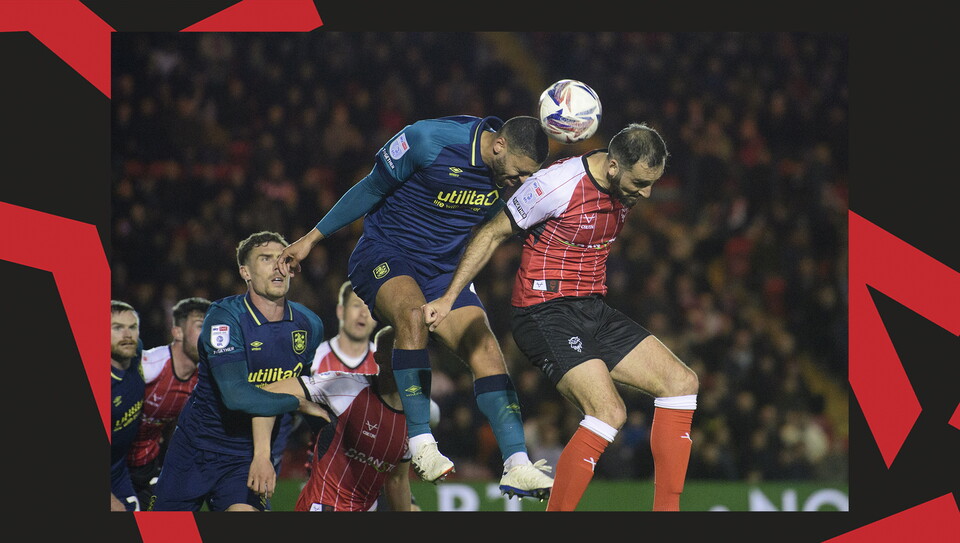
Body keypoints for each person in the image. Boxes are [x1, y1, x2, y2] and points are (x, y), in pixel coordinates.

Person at [423, 123, 700, 511]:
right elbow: (491, 234)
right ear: (615, 166)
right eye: (640, 182)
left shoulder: (623, 186)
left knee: (682, 382)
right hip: (543, 311)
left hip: (591, 307)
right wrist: (450, 297)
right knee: (609, 411)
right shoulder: (557, 185)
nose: (647, 193)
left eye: (653, 182)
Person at [276, 115, 555, 499]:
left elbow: (494, 223)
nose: (522, 182)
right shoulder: (429, 140)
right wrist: (310, 239)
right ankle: (421, 442)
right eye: (521, 173)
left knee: (488, 350)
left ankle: (517, 464)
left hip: (443, 272)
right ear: (498, 146)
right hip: (385, 253)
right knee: (412, 317)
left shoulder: (506, 175)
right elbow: (371, 188)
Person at [150, 231, 327, 511]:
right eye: (266, 259)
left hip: (246, 456)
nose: (278, 266)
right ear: (245, 272)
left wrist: (266, 453)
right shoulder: (224, 319)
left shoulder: (309, 325)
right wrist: (299, 404)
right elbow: (236, 396)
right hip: (196, 449)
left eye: (283, 259)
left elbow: (293, 384)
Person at [249, 326, 415, 511]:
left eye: (413, 353)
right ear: (379, 358)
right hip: (322, 506)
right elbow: (266, 395)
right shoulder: (346, 386)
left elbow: (397, 480)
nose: (407, 361)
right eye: (399, 351)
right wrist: (300, 404)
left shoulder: (414, 417)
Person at [126, 296, 212, 507]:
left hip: (147, 466)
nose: (208, 335)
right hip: (116, 465)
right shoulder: (149, 367)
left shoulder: (203, 379)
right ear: (178, 332)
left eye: (212, 327)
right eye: (201, 326)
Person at [110, 300, 145, 512]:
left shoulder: (136, 352)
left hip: (119, 472)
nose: (127, 334)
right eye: (117, 328)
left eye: (132, 327)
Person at [310, 280, 378, 375]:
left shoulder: (382, 363)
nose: (364, 313)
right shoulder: (314, 359)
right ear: (341, 311)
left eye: (369, 307)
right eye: (357, 305)